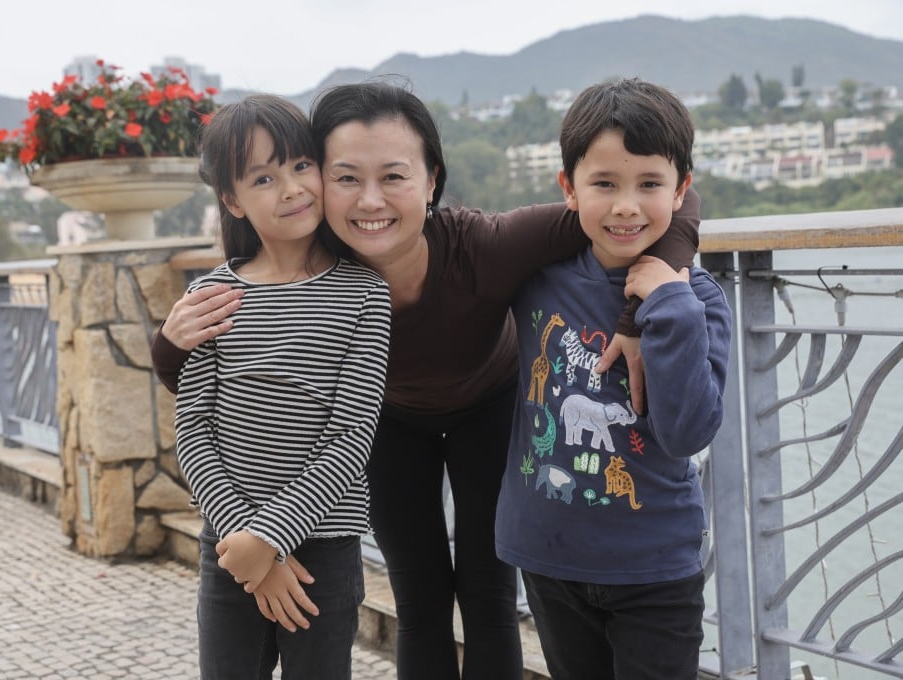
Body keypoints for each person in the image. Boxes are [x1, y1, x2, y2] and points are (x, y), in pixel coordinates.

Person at [153, 81, 700, 680]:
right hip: (386, 421)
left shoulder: (486, 245)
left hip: (488, 408)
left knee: (488, 599)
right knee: (420, 602)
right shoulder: (320, 257)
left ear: (431, 180)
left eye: (393, 176)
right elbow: (204, 382)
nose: (370, 201)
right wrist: (169, 339)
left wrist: (640, 311)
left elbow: (671, 204)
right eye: (346, 178)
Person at [495, 78, 732, 680]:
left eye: (649, 185)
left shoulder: (699, 300)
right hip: (549, 558)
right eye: (605, 184)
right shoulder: (536, 278)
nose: (626, 206)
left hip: (655, 567)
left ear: (680, 191)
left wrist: (671, 306)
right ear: (568, 189)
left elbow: (687, 433)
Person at [173, 94, 392, 680]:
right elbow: (193, 430)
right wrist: (247, 544)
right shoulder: (212, 299)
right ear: (232, 199)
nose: (292, 188)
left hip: (324, 544)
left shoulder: (365, 294)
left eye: (301, 166)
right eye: (264, 178)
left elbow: (350, 438)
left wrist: (271, 537)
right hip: (229, 546)